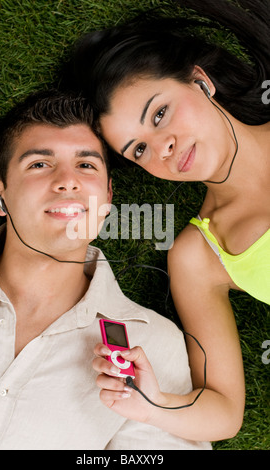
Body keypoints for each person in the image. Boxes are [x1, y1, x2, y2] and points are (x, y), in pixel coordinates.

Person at [69, 0, 270, 441]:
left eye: (159, 114)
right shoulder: (199, 256)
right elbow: (223, 411)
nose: (162, 148)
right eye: (138, 150)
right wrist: (151, 402)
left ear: (201, 81)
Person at [0, 89, 211, 450]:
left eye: (86, 165)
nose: (68, 181)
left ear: (109, 197)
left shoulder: (152, 344)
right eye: (39, 164)